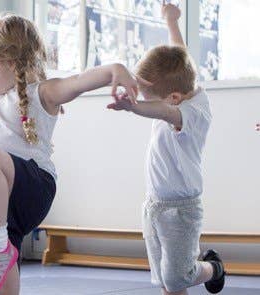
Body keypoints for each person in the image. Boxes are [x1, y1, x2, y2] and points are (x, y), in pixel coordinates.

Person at [0, 0, 140, 293]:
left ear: (11, 62)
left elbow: (78, 81)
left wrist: (114, 69)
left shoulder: (42, 92)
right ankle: (0, 249)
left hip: (33, 185)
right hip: (2, 202)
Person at [107, 3, 224, 294]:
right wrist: (171, 22)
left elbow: (162, 111)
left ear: (173, 97)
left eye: (149, 96)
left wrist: (134, 108)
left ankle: (213, 268)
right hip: (154, 203)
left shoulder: (192, 114)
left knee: (177, 277)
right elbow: (180, 53)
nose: (146, 100)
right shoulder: (185, 81)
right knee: (164, 279)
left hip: (181, 209)